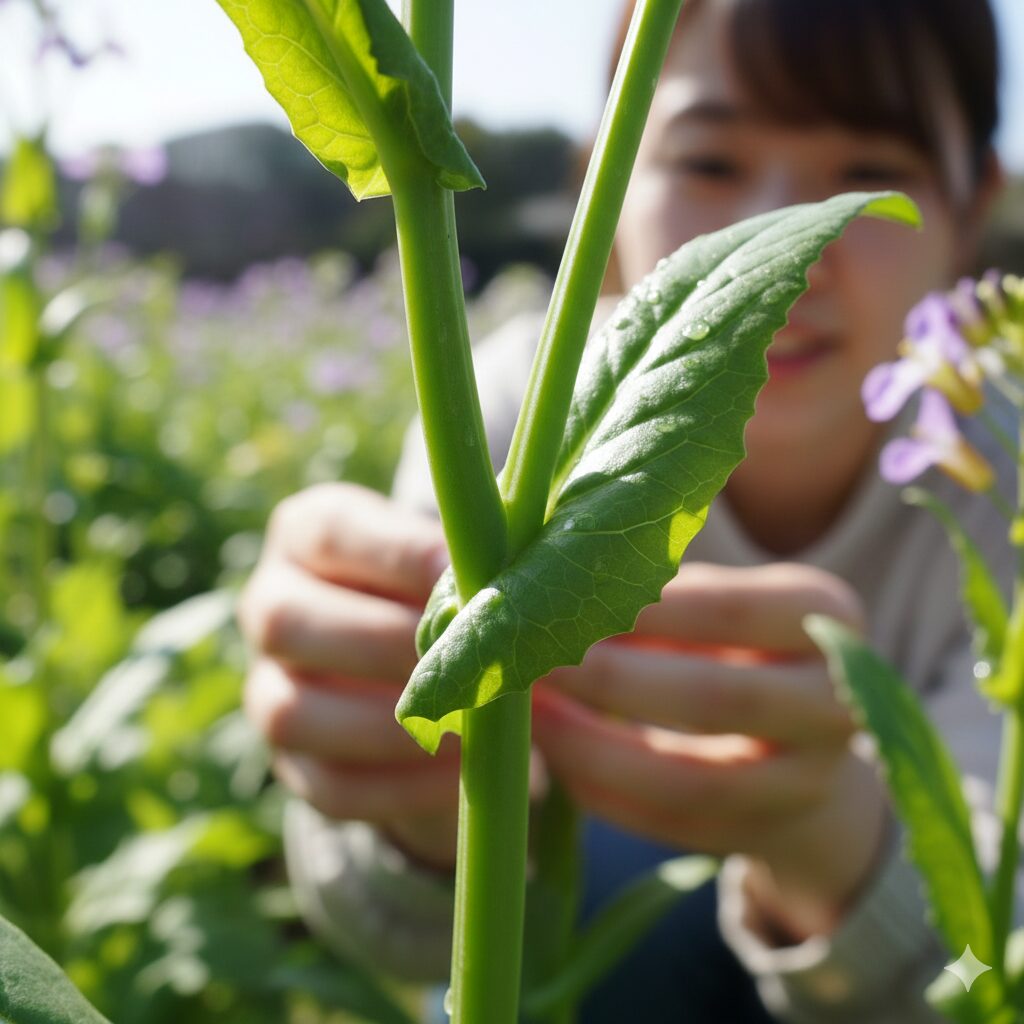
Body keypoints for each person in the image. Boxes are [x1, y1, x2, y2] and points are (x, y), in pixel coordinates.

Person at [238, 0, 1015, 1020]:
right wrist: (405, 795)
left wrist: (835, 834)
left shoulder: (999, 465)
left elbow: (991, 951)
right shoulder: (509, 404)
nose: (784, 241)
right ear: (604, 180)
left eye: (868, 174)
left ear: (973, 207)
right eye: (710, 163)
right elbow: (396, 930)